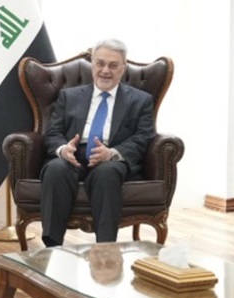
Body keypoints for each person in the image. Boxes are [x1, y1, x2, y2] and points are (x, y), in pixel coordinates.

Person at [39, 38, 155, 248]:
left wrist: (112, 153)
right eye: (100, 63)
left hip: (111, 157)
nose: (105, 71)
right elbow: (52, 132)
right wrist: (63, 149)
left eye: (113, 65)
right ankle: (52, 246)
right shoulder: (69, 96)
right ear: (92, 64)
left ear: (123, 68)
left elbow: (143, 136)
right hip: (73, 155)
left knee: (107, 173)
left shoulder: (140, 100)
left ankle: (105, 248)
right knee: (56, 169)